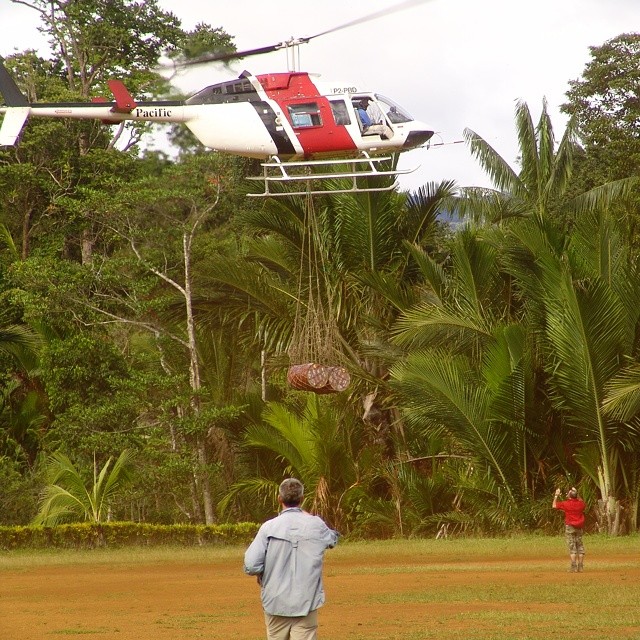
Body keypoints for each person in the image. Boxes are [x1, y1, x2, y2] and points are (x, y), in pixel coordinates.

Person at [244, 478, 339, 640]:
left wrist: (263, 574)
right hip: (306, 601)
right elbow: (333, 539)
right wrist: (311, 519)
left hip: (275, 601)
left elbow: (251, 565)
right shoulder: (316, 524)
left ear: (279, 499)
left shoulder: (268, 527)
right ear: (302, 499)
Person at [552, 486, 586, 572]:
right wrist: (576, 493)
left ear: (569, 496)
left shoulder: (566, 503)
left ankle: (573, 567)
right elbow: (581, 501)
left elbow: (554, 505)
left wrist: (556, 495)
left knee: (572, 546)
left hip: (570, 526)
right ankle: (581, 567)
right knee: (580, 546)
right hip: (579, 526)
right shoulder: (581, 504)